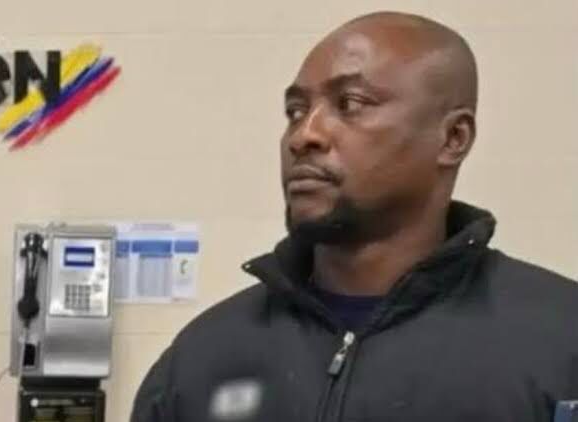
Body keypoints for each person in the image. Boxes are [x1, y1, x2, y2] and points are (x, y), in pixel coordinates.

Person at [131, 11, 578, 422]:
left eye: (350, 103)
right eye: (295, 111)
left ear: (452, 138)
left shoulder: (560, 341)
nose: (304, 135)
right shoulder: (200, 358)